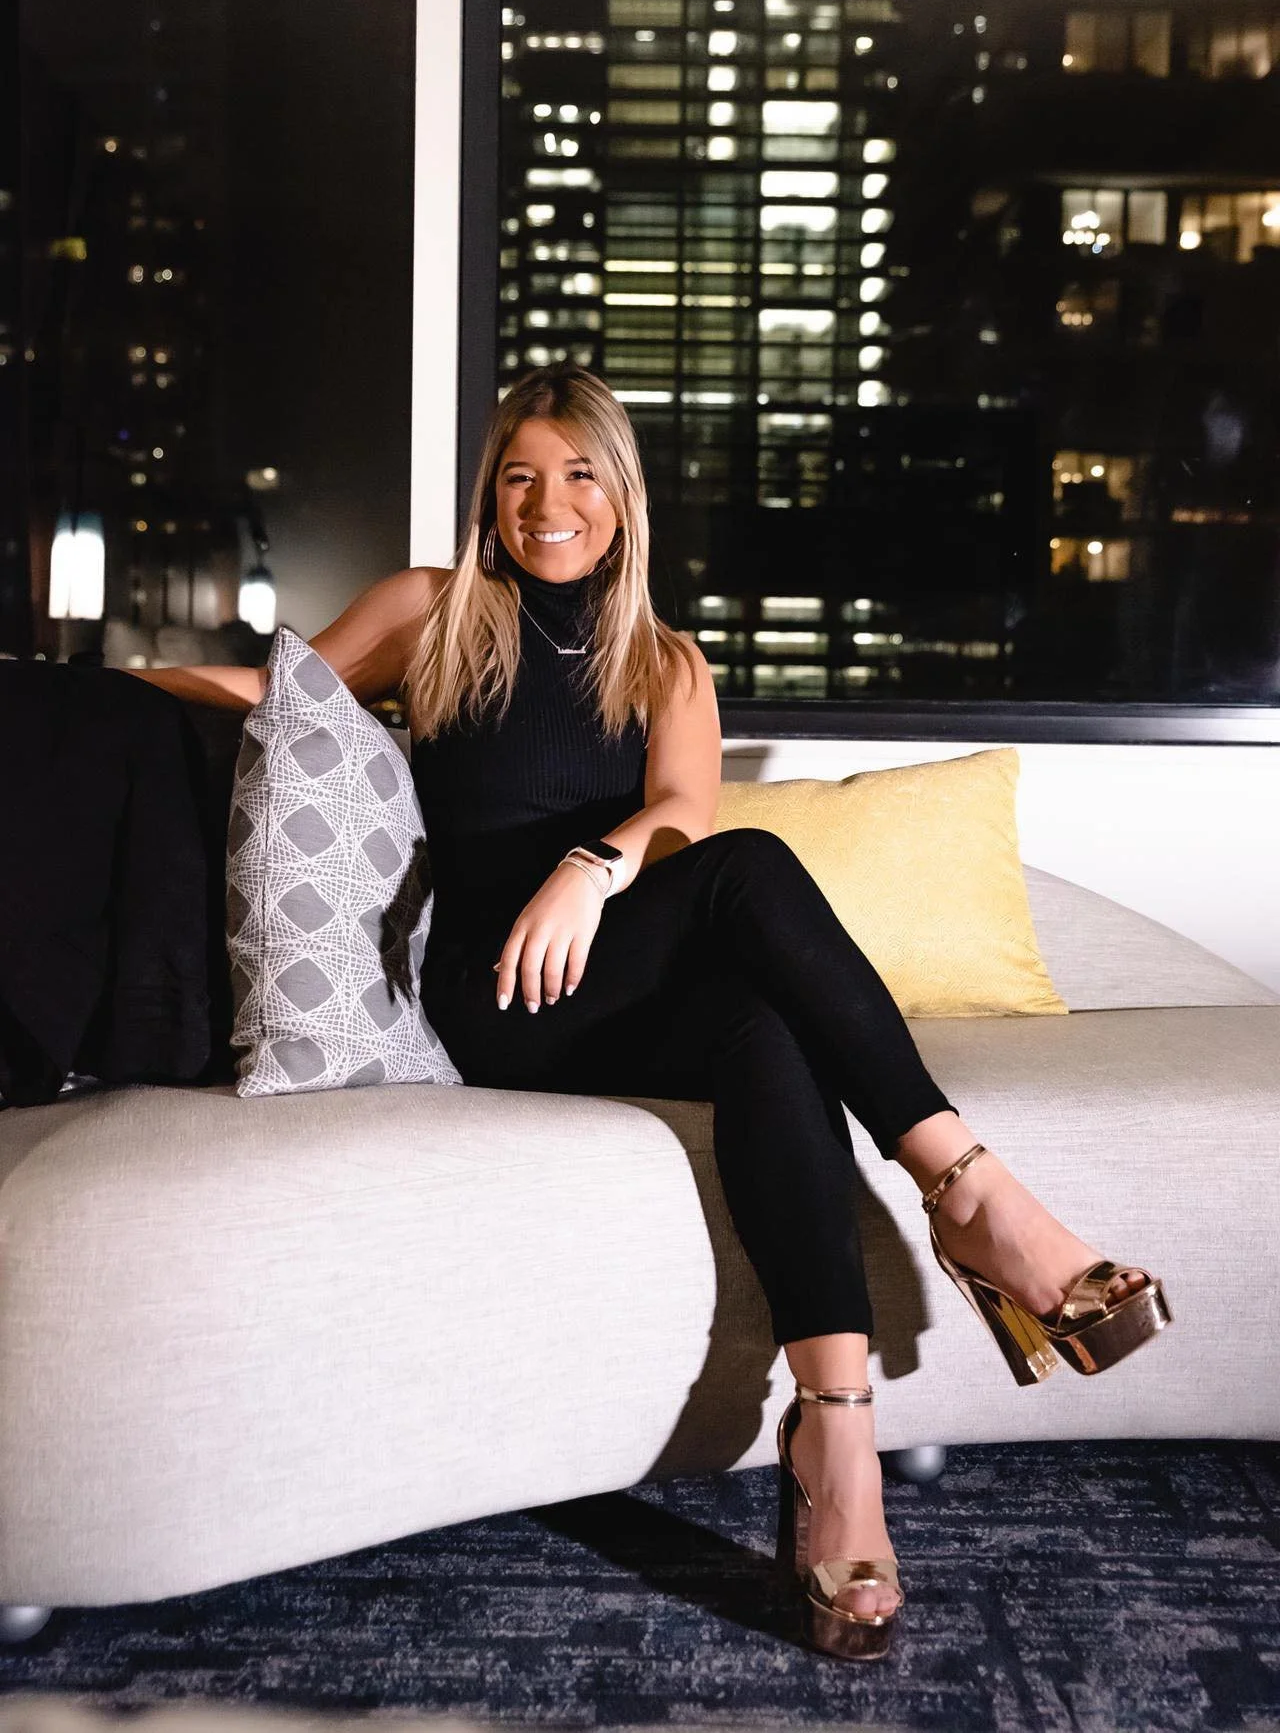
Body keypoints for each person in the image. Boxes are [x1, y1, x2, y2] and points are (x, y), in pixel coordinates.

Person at [128, 363, 1171, 1663]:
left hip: (611, 988)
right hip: (493, 997)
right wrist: (108, 685)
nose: (545, 501)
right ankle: (974, 1195)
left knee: (765, 1030)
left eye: (576, 474)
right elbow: (271, 698)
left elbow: (681, 811)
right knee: (753, 875)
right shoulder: (433, 612)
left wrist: (594, 862)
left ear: (621, 497)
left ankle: (835, 1426)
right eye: (518, 474)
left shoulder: (665, 662)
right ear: (489, 493)